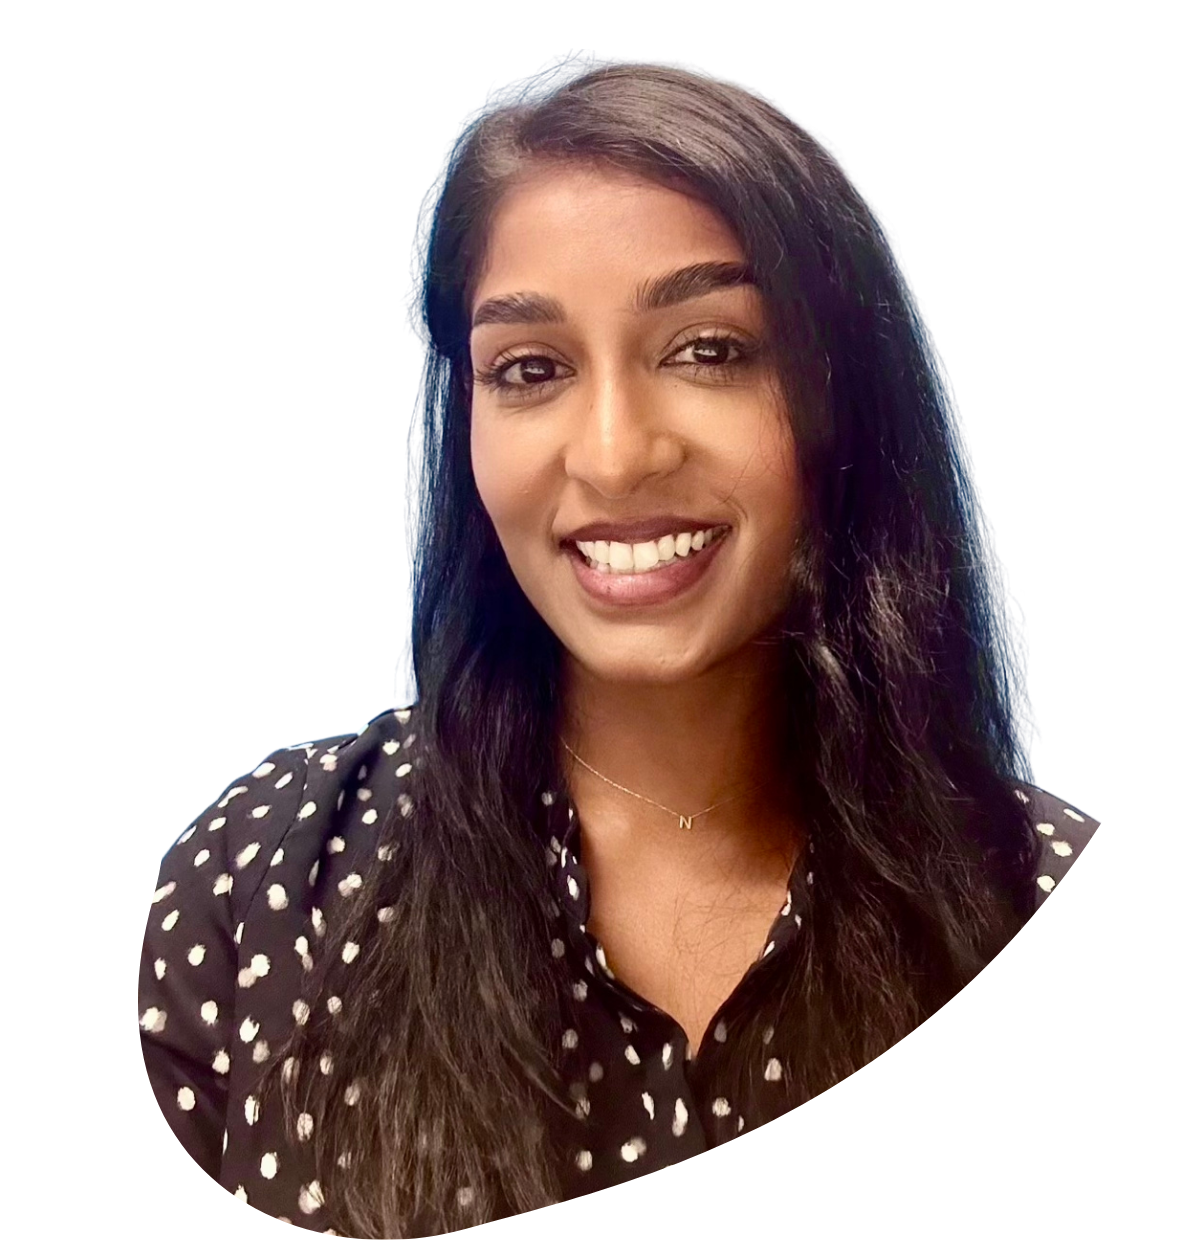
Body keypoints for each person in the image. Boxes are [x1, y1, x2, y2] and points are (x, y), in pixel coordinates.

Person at [138, 49, 1093, 1245]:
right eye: (529, 369)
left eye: (706, 349)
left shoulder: (1084, 935)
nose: (612, 452)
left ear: (839, 392)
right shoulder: (260, 891)